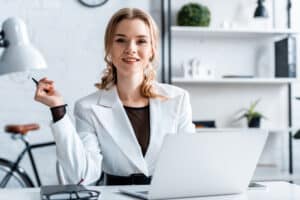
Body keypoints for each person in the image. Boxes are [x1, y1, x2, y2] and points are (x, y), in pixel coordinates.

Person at [34, 8, 195, 185]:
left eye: (141, 41)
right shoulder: (88, 107)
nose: (130, 49)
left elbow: (189, 163)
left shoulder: (178, 99)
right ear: (109, 48)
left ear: (152, 50)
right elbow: (82, 176)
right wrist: (58, 110)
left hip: (167, 195)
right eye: (120, 40)